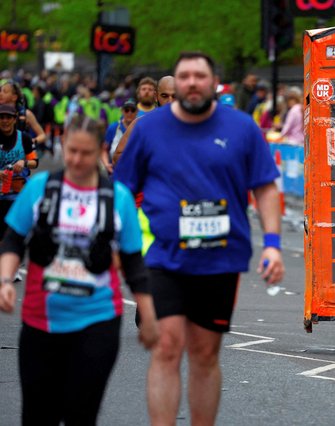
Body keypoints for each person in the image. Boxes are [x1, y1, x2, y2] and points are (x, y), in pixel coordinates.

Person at [113, 51, 285, 424]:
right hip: (163, 257)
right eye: (185, 76)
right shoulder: (148, 129)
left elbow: (266, 190)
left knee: (205, 354)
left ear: (213, 83)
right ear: (174, 83)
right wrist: (115, 247)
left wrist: (272, 245)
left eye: (199, 76)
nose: (192, 82)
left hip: (220, 258)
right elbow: (121, 193)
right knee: (167, 347)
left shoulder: (241, 129)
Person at [0, 115, 158, 425]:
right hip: (41, 320)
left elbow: (133, 262)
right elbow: (13, 241)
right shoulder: (40, 190)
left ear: (99, 150)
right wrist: (6, 278)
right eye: (71, 151)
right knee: (37, 413)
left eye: (86, 153)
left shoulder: (118, 198)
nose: (77, 160)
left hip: (97, 320)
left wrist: (149, 312)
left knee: (81, 414)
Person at [111, 75, 175, 167]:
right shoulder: (140, 124)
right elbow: (117, 157)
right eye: (164, 96)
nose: (170, 101)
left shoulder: (192, 126)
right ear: (156, 96)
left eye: (175, 96)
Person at [0, 104, 38, 238]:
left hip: (18, 195)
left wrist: (24, 162)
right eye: (1, 117)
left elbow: (35, 162)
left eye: (8, 117)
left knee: (16, 234)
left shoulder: (24, 138)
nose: (5, 121)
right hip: (1, 194)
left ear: (15, 119)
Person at [0, 81, 47, 148]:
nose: (0, 94)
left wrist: (31, 142)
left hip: (20, 156)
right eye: (0, 91)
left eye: (5, 92)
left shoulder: (26, 114)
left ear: (14, 97)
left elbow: (42, 135)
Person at [102, 98, 138, 174]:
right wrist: (106, 164)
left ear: (137, 112)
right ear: (122, 111)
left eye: (132, 110)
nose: (129, 113)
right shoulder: (113, 128)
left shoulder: (140, 128)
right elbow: (104, 149)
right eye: (126, 110)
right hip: (114, 170)